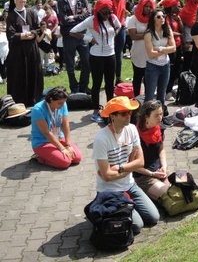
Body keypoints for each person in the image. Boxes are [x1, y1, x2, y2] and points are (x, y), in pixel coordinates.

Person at [93, 97, 159, 234]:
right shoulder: (101, 139)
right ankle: (103, 205)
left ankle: (126, 206)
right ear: (112, 116)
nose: (129, 115)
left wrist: (121, 168)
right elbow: (106, 176)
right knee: (137, 226)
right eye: (123, 113)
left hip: (130, 185)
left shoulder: (132, 129)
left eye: (129, 112)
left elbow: (140, 162)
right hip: (110, 191)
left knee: (154, 217)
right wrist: (130, 166)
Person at [70, 0, 121, 125]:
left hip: (111, 55)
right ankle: (95, 111)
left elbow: (119, 26)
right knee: (97, 84)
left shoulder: (113, 18)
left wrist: (114, 35)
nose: (107, 15)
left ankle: (110, 109)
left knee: (110, 84)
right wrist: (89, 38)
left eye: (109, 12)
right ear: (98, 11)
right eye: (104, 13)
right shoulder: (91, 20)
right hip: (96, 56)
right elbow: (73, 31)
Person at [6, 0, 44, 106]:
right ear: (15, 0)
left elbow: (38, 28)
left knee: (33, 72)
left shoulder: (31, 12)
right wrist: (23, 36)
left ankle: (34, 99)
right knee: (19, 75)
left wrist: (32, 33)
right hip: (18, 51)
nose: (22, 0)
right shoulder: (11, 15)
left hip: (32, 48)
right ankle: (20, 100)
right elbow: (10, 34)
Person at [31, 87, 82, 169]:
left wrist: (68, 145)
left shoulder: (63, 104)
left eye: (64, 102)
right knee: (65, 162)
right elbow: (46, 132)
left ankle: (55, 154)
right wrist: (62, 148)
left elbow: (66, 125)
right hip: (42, 142)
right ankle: (40, 158)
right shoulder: (38, 109)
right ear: (51, 99)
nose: (62, 105)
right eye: (59, 103)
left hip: (58, 137)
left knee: (77, 158)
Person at [57, 0, 91, 94]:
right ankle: (74, 88)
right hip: (69, 35)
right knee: (70, 64)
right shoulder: (61, 1)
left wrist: (74, 17)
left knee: (87, 62)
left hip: (82, 34)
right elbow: (64, 20)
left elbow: (88, 15)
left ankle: (84, 86)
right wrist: (79, 17)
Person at [133, 100, 170, 200]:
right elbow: (132, 166)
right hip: (143, 176)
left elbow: (161, 149)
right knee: (167, 195)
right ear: (146, 117)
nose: (160, 118)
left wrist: (164, 166)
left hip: (159, 170)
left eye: (161, 114)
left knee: (178, 188)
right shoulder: (135, 135)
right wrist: (153, 174)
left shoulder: (159, 129)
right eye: (156, 115)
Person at [143, 9, 175, 108]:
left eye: (163, 16)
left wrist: (160, 48)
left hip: (165, 65)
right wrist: (166, 50)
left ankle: (160, 116)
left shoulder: (167, 29)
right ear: (153, 19)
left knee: (162, 94)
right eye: (158, 17)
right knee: (150, 95)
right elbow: (150, 54)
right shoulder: (148, 33)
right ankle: (145, 118)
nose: (162, 18)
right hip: (153, 66)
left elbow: (173, 48)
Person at [127, 0, 154, 97]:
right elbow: (133, 36)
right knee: (138, 76)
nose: (148, 8)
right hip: (138, 52)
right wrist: (148, 34)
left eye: (149, 6)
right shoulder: (133, 19)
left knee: (149, 78)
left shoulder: (153, 19)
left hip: (150, 51)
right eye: (145, 6)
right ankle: (137, 98)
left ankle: (148, 98)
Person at [103, 0, 128, 84]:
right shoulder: (105, 0)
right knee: (108, 54)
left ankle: (117, 77)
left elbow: (122, 14)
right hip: (107, 29)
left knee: (118, 54)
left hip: (120, 27)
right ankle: (108, 77)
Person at [161, 0, 183, 96]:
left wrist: (179, 20)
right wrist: (177, 34)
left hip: (178, 46)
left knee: (176, 69)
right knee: (170, 69)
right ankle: (166, 90)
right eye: (178, 6)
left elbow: (181, 30)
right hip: (169, 46)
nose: (180, 8)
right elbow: (166, 32)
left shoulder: (176, 17)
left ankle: (169, 89)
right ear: (172, 7)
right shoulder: (165, 18)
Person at [179, 0, 198, 72]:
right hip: (188, 41)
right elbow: (181, 28)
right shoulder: (185, 11)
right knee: (187, 62)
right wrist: (183, 43)